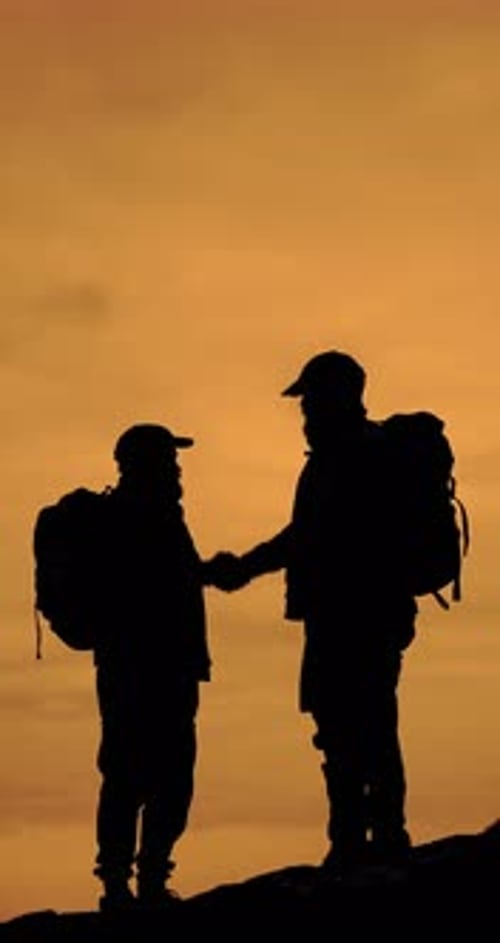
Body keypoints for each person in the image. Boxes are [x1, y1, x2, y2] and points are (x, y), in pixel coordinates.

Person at [204, 351, 416, 878]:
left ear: (339, 397)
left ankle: (367, 837)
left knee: (358, 726)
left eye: (311, 399)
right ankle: (370, 834)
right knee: (354, 725)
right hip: (353, 615)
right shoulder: (344, 456)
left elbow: (308, 538)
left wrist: (245, 567)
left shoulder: (351, 458)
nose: (305, 411)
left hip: (354, 617)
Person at [90, 423, 211, 912]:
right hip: (150, 669)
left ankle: (131, 881)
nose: (178, 469)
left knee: (138, 774)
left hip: (144, 668)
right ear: (146, 464)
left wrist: (204, 573)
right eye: (169, 459)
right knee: (149, 775)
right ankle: (137, 883)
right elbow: (158, 590)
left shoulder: (150, 516)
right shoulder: (143, 518)